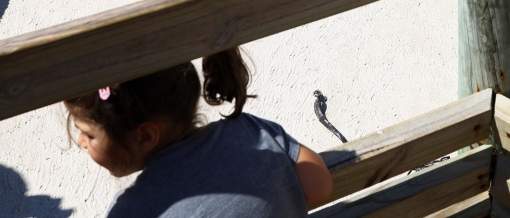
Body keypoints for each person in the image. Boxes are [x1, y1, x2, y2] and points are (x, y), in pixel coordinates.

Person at [65, 47, 332, 217]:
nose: (80, 141)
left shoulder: (132, 211)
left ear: (145, 136)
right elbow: (319, 186)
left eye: (88, 134)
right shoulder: (250, 131)